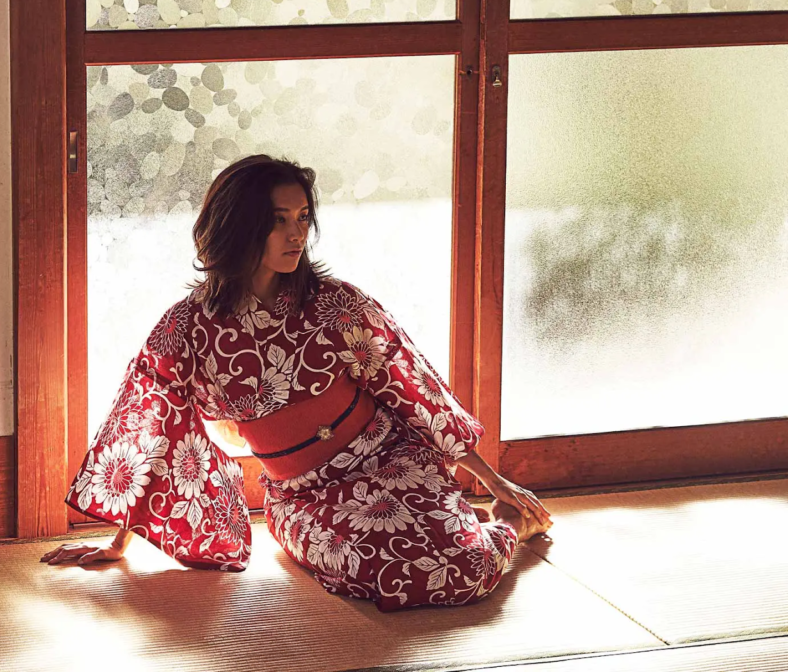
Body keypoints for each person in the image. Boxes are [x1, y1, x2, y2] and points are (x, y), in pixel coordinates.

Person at [41, 155, 553, 611]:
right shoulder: (189, 326)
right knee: (393, 573)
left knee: (456, 569)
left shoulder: (335, 304)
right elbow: (154, 428)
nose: (296, 235)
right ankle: (481, 529)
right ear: (238, 227)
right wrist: (117, 543)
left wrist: (494, 480)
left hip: (391, 462)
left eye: (303, 218)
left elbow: (411, 388)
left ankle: (508, 523)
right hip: (304, 497)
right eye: (278, 221)